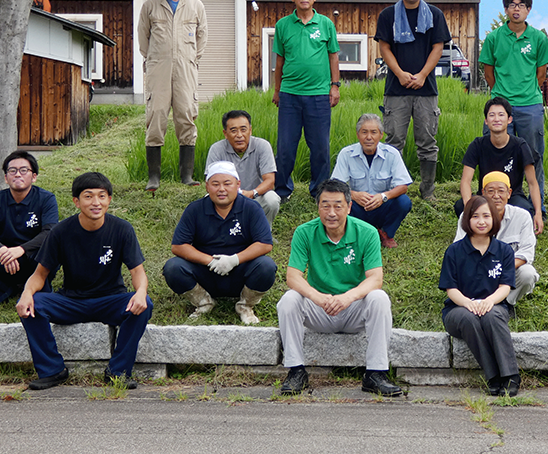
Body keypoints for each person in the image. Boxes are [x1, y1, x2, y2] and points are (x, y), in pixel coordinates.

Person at [16, 172, 152, 391]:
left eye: (102, 196)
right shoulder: (61, 231)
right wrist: (26, 294)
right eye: (88, 196)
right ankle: (52, 370)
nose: (96, 202)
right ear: (76, 202)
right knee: (34, 305)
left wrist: (141, 292)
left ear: (109, 199)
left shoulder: (122, 229)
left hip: (111, 300)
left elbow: (137, 271)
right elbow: (40, 275)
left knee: (145, 305)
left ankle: (118, 372)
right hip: (72, 301)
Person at [276, 178, 402, 397]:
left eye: (337, 206)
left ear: (349, 207)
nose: (331, 212)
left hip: (353, 309)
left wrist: (347, 297)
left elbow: (375, 278)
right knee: (288, 300)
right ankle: (296, 371)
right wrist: (318, 298)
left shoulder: (367, 232)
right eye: (325, 205)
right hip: (320, 309)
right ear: (318, 207)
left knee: (379, 298)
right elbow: (293, 276)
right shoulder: (305, 232)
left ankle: (376, 373)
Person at [163, 161, 277, 323]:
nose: (221, 189)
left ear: (238, 185)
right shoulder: (195, 210)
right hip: (206, 273)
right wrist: (210, 261)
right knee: (173, 267)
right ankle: (203, 302)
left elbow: (265, 244)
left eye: (227, 184)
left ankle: (245, 305)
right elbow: (178, 246)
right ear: (207, 186)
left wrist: (234, 260)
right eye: (215, 184)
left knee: (266, 266)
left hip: (241, 272)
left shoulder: (252, 208)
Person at [375, 0, 451, 200]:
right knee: (393, 141)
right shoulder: (388, 15)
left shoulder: (435, 14)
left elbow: (438, 47)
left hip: (426, 89)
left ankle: (427, 192)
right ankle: (393, 192)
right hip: (396, 90)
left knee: (427, 141)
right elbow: (384, 47)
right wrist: (398, 73)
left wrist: (422, 75)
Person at [480, 0, 548, 216]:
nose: (517, 9)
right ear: (505, 10)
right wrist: (500, 96)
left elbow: (541, 73)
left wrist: (527, 92)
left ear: (528, 10)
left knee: (534, 156)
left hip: (530, 105)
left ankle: (535, 205)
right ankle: (489, 204)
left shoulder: (539, 38)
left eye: (521, 5)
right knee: (492, 154)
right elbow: (488, 72)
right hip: (500, 104)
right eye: (512, 5)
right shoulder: (493, 38)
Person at [138, 0, 208, 190]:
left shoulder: (196, 5)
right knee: (156, 115)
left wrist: (188, 60)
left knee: (186, 114)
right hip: (158, 69)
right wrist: (157, 60)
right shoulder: (150, 6)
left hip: (186, 69)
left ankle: (186, 176)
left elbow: (202, 38)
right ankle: (153, 177)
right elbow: (142, 38)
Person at [440, 195, 520, 396]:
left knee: (492, 316)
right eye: (475, 216)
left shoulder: (504, 251)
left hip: (494, 306)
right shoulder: (454, 251)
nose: (481, 221)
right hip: (458, 309)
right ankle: (493, 375)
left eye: (486, 216)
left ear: (494, 219)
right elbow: (451, 289)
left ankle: (510, 376)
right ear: (467, 220)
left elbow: (505, 286)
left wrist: (489, 301)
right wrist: (468, 303)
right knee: (468, 319)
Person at [272, 0, 341, 200]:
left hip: (319, 95)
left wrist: (335, 86)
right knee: (285, 147)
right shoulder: (283, 25)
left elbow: (333, 57)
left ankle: (320, 191)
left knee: (320, 148)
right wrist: (277, 90)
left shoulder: (326, 24)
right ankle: (282, 190)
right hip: (290, 94)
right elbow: (279, 62)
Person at [0, 151, 58, 307]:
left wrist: (21, 249)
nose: (18, 174)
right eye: (12, 171)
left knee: (53, 252)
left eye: (24, 170)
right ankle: (5, 290)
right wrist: (3, 251)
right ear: (6, 178)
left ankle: (41, 291)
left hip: (35, 255)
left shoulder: (46, 199)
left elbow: (50, 231)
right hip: (7, 257)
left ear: (34, 176)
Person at [456, 97, 543, 235]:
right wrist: (469, 208)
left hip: (512, 197)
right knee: (460, 205)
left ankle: (504, 231)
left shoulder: (520, 146)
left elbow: (532, 183)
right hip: (485, 196)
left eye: (501, 115)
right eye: (492, 115)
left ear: (509, 119)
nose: (496, 119)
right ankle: (484, 227)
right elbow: (465, 181)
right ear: (486, 121)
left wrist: (538, 212)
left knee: (525, 210)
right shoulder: (477, 145)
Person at [453, 172, 538, 313]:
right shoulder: (468, 215)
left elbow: (526, 253)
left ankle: (506, 303)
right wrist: (483, 267)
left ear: (509, 193)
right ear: (483, 193)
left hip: (508, 269)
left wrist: (497, 267)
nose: (496, 196)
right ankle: (473, 301)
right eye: (491, 191)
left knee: (527, 273)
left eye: (501, 191)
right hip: (475, 269)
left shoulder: (522, 217)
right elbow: (458, 250)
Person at [332, 113, 413, 249]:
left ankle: (386, 233)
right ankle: (354, 232)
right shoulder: (346, 154)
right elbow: (335, 186)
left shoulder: (392, 154)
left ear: (381, 135)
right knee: (338, 200)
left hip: (382, 206)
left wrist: (383, 197)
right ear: (358, 135)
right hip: (357, 207)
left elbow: (403, 186)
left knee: (404, 202)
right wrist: (354, 195)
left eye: (373, 132)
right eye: (364, 132)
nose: (369, 137)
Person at [205, 110, 280, 228]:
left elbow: (270, 181)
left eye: (243, 129)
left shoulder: (262, 146)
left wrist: (252, 193)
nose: (239, 135)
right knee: (207, 200)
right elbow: (211, 182)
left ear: (250, 130)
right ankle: (220, 233)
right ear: (225, 133)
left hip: (255, 197)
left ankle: (264, 233)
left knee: (272, 199)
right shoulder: (216, 149)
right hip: (227, 198)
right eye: (233, 131)